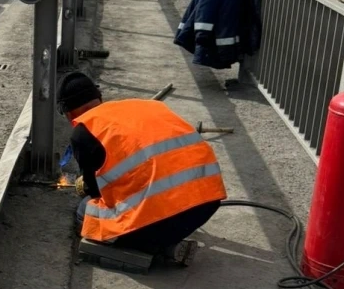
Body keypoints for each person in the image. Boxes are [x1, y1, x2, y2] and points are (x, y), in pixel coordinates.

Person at [57, 72, 226, 266]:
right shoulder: (150, 106)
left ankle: (162, 248)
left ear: (67, 112)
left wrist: (84, 185)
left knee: (85, 210)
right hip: (206, 203)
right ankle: (165, 240)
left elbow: (95, 191)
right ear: (99, 97)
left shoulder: (84, 132)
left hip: (163, 217)